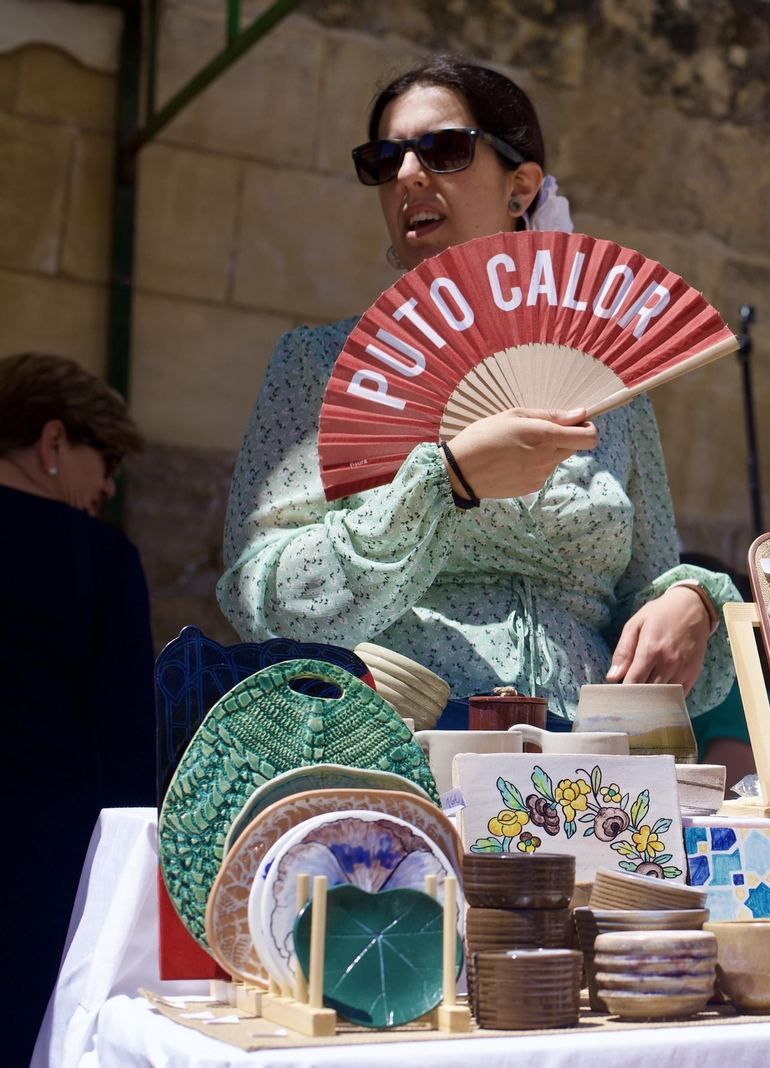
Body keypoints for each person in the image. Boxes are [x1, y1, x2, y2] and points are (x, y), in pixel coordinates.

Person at [217, 57, 738, 738]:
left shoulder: (614, 393)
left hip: (590, 769)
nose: (408, 174)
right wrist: (443, 486)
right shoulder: (319, 366)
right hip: (397, 745)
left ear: (520, 188)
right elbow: (258, 596)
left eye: (443, 148)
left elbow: (644, 592)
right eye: (384, 158)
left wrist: (693, 600)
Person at [0, 353, 155, 1047]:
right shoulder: (97, 556)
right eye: (109, 456)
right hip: (41, 875)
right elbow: (127, 748)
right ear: (54, 441)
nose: (111, 482)